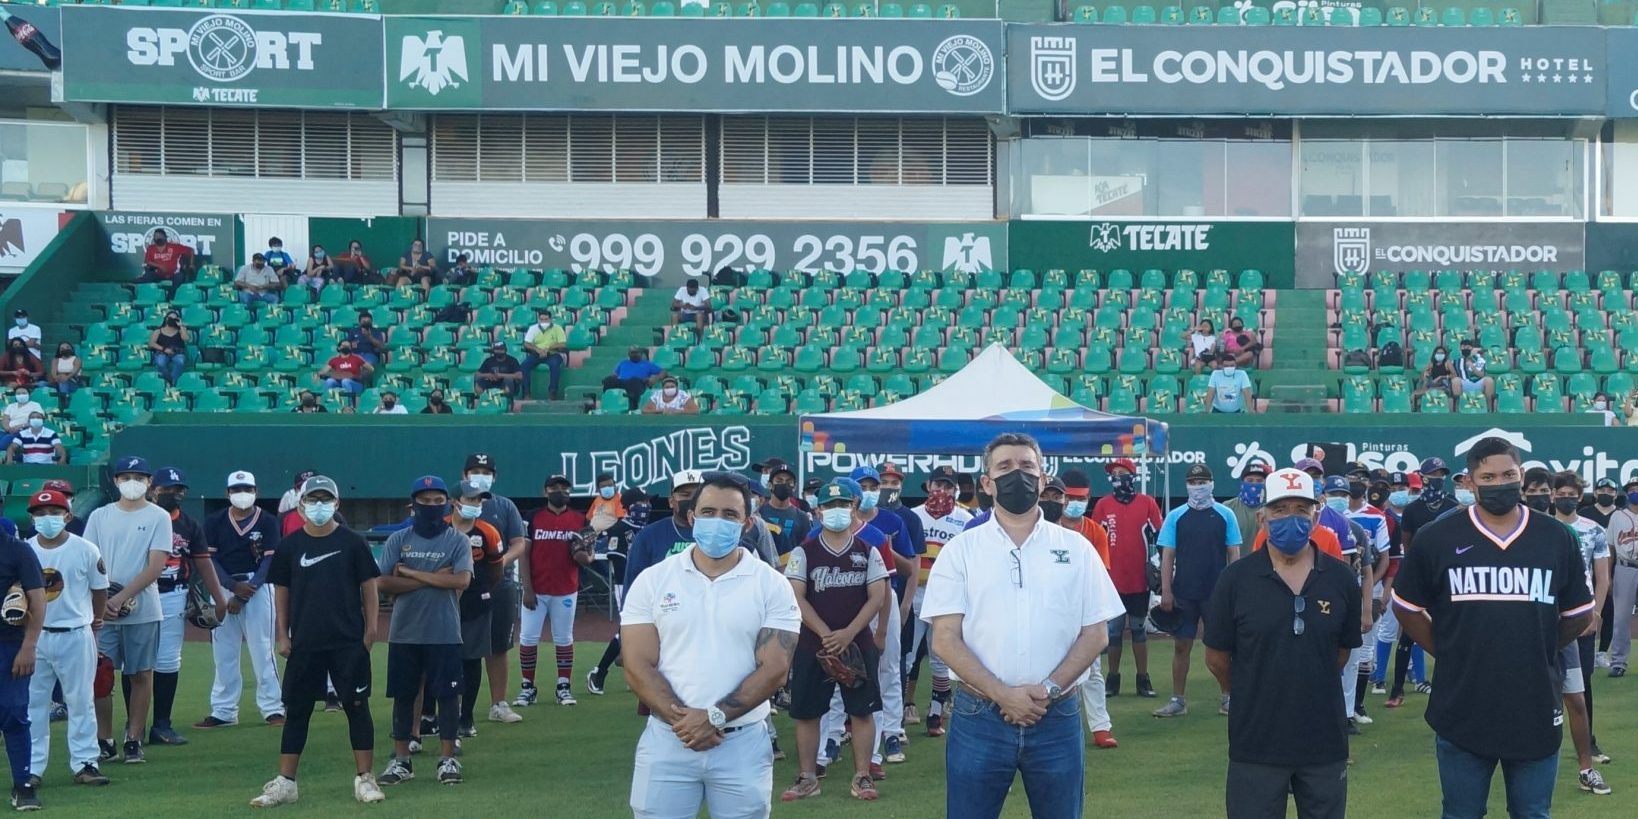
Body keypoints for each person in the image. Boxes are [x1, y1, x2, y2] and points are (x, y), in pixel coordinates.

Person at [922, 432, 1123, 819]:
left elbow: (1096, 634)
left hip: (1057, 715)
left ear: (1043, 478)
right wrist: (1002, 694)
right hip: (979, 716)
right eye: (1005, 467)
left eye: (1027, 466)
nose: (1018, 475)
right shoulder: (961, 551)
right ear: (986, 483)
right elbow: (945, 640)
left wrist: (1046, 689)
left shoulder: (1077, 549)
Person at [1392, 437, 1595, 819]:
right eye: (1488, 476)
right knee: (1461, 813)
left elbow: (1580, 613)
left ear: (1521, 476)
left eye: (1508, 474)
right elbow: (1406, 607)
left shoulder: (1555, 537)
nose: (1499, 482)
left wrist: (1541, 644)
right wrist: (1446, 647)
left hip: (1533, 702)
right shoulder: (1438, 537)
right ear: (1469, 481)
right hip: (1462, 703)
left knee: (1532, 813)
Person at [621, 472, 799, 819]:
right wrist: (686, 723)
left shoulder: (772, 585)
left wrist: (714, 717)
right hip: (668, 739)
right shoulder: (654, 580)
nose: (718, 521)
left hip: (742, 744)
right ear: (692, 517)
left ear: (748, 523)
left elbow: (776, 668)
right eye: (708, 512)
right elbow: (637, 665)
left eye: (730, 515)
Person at [1203, 467, 1362, 819]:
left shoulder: (1341, 579)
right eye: (1280, 509)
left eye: (1301, 509)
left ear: (1315, 515)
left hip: (1324, 739)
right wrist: (1249, 688)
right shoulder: (1235, 580)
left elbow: (1340, 653)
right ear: (1262, 517)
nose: (1291, 518)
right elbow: (1216, 657)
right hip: (1256, 740)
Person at [250, 475, 384, 807]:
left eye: (325, 500)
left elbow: (369, 587)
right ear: (301, 504)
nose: (319, 506)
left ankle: (365, 778)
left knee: (356, 707)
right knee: (297, 710)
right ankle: (286, 782)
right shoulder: (290, 545)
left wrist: (370, 630)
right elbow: (282, 591)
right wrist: (282, 633)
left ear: (337, 504)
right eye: (313, 500)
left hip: (348, 640)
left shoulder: (353, 542)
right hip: (305, 642)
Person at [781, 480, 890, 803]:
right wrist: (826, 633)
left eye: (842, 504)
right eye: (829, 506)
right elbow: (796, 596)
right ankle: (807, 777)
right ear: (818, 510)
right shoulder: (804, 551)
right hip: (813, 644)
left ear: (853, 508)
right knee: (807, 712)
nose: (836, 511)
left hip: (857, 643)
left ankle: (862, 775)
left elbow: (877, 596)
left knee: (862, 711)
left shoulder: (867, 550)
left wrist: (848, 632)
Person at [376, 477, 472, 787]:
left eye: (437, 501)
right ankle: (401, 759)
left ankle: (447, 758)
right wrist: (433, 577)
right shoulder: (397, 540)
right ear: (413, 504)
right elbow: (384, 584)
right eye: (425, 501)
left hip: (444, 631)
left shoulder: (457, 540)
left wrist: (410, 572)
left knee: (447, 696)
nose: (431, 506)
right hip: (405, 632)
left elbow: (461, 581)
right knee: (403, 696)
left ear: (447, 503)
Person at [83, 456, 171, 765]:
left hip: (143, 608)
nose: (131, 482)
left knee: (140, 674)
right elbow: (90, 561)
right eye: (125, 476)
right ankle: (104, 738)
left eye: (138, 476)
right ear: (116, 481)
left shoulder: (159, 516)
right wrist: (104, 599)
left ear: (149, 482)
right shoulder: (99, 516)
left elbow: (156, 565)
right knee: (100, 676)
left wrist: (121, 598)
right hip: (102, 609)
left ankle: (134, 738)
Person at [26, 489, 110, 790]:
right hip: (36, 635)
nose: (46, 519)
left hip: (76, 632)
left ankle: (86, 763)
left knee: (80, 701)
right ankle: (31, 766)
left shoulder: (86, 549)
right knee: (33, 704)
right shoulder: (26, 549)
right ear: (32, 517)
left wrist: (96, 620)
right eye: (39, 513)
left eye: (53, 513)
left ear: (68, 516)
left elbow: (100, 588)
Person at [1152, 464, 1241, 719]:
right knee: (1181, 646)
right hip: (1184, 592)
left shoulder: (1225, 514)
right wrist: (1166, 591)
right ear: (1187, 485)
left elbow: (1233, 554)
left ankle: (1228, 697)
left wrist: (1233, 592)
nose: (1198, 485)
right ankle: (1177, 700)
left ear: (1212, 483)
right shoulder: (1176, 516)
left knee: (1221, 648)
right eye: (1194, 481)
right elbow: (1167, 556)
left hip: (1217, 594)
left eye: (1203, 480)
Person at [196, 470, 284, 730]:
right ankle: (223, 710)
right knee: (223, 651)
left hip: (257, 586)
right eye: (236, 490)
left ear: (256, 492)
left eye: (246, 489)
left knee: (262, 649)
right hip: (223, 585)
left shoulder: (267, 521)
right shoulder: (214, 522)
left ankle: (272, 708)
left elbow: (271, 559)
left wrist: (249, 589)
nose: (241, 494)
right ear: (227, 493)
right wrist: (232, 587)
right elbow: (209, 558)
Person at [147, 467, 225, 746]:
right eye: (168, 488)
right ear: (153, 489)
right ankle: (133, 729)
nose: (174, 493)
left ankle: (161, 725)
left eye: (178, 489)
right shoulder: (140, 518)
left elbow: (203, 561)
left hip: (173, 595)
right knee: (135, 662)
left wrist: (219, 597)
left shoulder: (189, 525)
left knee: (168, 660)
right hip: (139, 594)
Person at [1550, 471, 1613, 787]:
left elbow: (1602, 577)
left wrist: (1596, 612)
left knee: (1581, 683)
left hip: (1581, 617)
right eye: (1560, 492)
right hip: (1545, 616)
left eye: (1571, 492)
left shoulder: (1594, 530)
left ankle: (1587, 745)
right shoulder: (1541, 528)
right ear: (1552, 495)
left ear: (1580, 495)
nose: (1566, 497)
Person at [459, 453, 527, 725]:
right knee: (460, 647)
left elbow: (519, 542)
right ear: (465, 475)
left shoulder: (504, 506)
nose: (480, 476)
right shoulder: (456, 504)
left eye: (486, 471)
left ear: (494, 476)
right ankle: (457, 706)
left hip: (500, 583)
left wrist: (497, 562)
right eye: (475, 470)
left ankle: (498, 703)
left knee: (499, 646)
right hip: (462, 585)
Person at [1384, 457, 1457, 708]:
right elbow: (1407, 544)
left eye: (1441, 474)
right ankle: (1397, 689)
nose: (1438, 478)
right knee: (1408, 632)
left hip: (1446, 573)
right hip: (1421, 573)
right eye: (1433, 474)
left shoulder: (1452, 504)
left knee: (1449, 630)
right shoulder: (1414, 509)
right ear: (1424, 477)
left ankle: (1446, 684)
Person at [437, 481, 505, 742]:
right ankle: (434, 717)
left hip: (476, 602)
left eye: (479, 500)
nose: (476, 505)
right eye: (471, 499)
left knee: (472, 659)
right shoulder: (440, 528)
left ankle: (466, 717)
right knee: (441, 660)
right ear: (455, 501)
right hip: (442, 603)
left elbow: (496, 570)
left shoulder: (488, 531)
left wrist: (481, 588)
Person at [907, 466, 972, 735]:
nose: (942, 491)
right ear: (928, 485)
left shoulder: (966, 518)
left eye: (948, 486)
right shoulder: (913, 516)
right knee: (907, 658)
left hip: (946, 595)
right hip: (916, 592)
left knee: (940, 657)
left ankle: (935, 713)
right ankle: (897, 712)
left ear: (955, 490)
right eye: (938, 485)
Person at [516, 475, 590, 708]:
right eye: (554, 487)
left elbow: (586, 556)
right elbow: (524, 554)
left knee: (564, 638)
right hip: (536, 590)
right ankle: (528, 687)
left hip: (566, 588)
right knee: (528, 638)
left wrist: (584, 555)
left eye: (564, 487)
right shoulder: (533, 517)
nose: (560, 491)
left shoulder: (580, 519)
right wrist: (527, 588)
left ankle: (563, 686)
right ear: (545, 491)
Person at [1056, 469, 1116, 748]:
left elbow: (1100, 575)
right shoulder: (1047, 526)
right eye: (1068, 497)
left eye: (1079, 498)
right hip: (1053, 608)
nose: (1073, 503)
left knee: (1092, 670)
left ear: (1088, 497)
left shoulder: (1095, 531)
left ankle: (1101, 727)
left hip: (1083, 609)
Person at [1094, 457, 1162, 699]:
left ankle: (1143, 679)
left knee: (1138, 629)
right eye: (1114, 474)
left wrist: (1161, 570)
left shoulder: (1147, 503)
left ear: (1132, 476)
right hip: (1111, 581)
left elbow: (1160, 537)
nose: (1117, 477)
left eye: (1122, 472)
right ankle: (1112, 679)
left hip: (1138, 580)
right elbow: (1095, 540)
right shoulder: (1103, 505)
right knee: (1112, 632)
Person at [586, 489, 650, 696]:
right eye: (641, 501)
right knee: (627, 630)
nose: (646, 505)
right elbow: (617, 561)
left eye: (647, 502)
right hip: (627, 585)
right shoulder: (619, 529)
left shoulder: (649, 529)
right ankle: (599, 671)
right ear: (630, 506)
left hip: (650, 585)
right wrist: (631, 586)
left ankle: (635, 671)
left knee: (647, 630)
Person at [0, 514, 44, 809]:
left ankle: (23, 785)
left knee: (14, 712)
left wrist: (29, 645)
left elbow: (38, 601)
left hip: (9, 644)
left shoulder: (18, 550)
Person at [755, 459, 811, 561]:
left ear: (794, 487)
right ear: (770, 485)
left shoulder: (802, 517)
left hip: (792, 571)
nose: (784, 484)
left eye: (789, 482)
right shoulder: (759, 514)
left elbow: (807, 550)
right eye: (779, 481)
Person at [1223, 460, 1271, 548]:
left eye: (1259, 481)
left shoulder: (1271, 508)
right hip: (1236, 560)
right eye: (1250, 480)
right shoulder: (1228, 507)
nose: (1254, 484)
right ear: (1242, 482)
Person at [521, 309, 567, 401]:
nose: (543, 322)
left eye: (546, 319)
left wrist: (548, 348)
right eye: (541, 319)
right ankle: (526, 393)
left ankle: (552, 392)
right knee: (524, 366)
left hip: (553, 353)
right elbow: (526, 344)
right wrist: (538, 350)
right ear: (538, 319)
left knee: (555, 365)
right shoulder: (533, 328)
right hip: (537, 353)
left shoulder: (558, 328)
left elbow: (562, 344)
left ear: (550, 319)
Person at [603, 347, 664, 412]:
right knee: (608, 380)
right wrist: (612, 377)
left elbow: (663, 372)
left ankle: (633, 406)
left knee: (634, 380)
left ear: (641, 354)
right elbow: (615, 374)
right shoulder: (623, 363)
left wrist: (655, 378)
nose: (634, 354)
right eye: (632, 353)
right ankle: (608, 402)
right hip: (622, 382)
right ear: (629, 354)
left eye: (636, 353)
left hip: (638, 383)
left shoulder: (647, 364)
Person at [135, 229, 194, 295]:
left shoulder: (174, 247)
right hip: (158, 273)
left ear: (165, 237)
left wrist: (191, 264)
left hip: (173, 273)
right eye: (155, 236)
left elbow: (191, 250)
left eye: (159, 236)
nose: (157, 238)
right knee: (147, 277)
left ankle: (171, 297)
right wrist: (159, 266)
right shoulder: (151, 248)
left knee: (180, 277)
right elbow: (147, 261)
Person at [147, 311, 189, 386]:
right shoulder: (158, 331)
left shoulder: (181, 330)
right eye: (170, 318)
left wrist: (181, 326)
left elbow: (186, 339)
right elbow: (151, 343)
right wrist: (164, 349)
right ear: (166, 319)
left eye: (175, 319)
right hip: (162, 352)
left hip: (177, 353)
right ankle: (167, 379)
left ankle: (173, 381)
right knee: (160, 362)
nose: (172, 320)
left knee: (180, 362)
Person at [0, 389, 40, 453]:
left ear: (29, 394)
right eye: (18, 394)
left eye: (24, 393)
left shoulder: (35, 405)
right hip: (8, 431)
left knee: (2, 444)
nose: (21, 395)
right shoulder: (11, 406)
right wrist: (8, 429)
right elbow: (5, 420)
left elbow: (37, 421)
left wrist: (21, 426)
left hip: (23, 431)